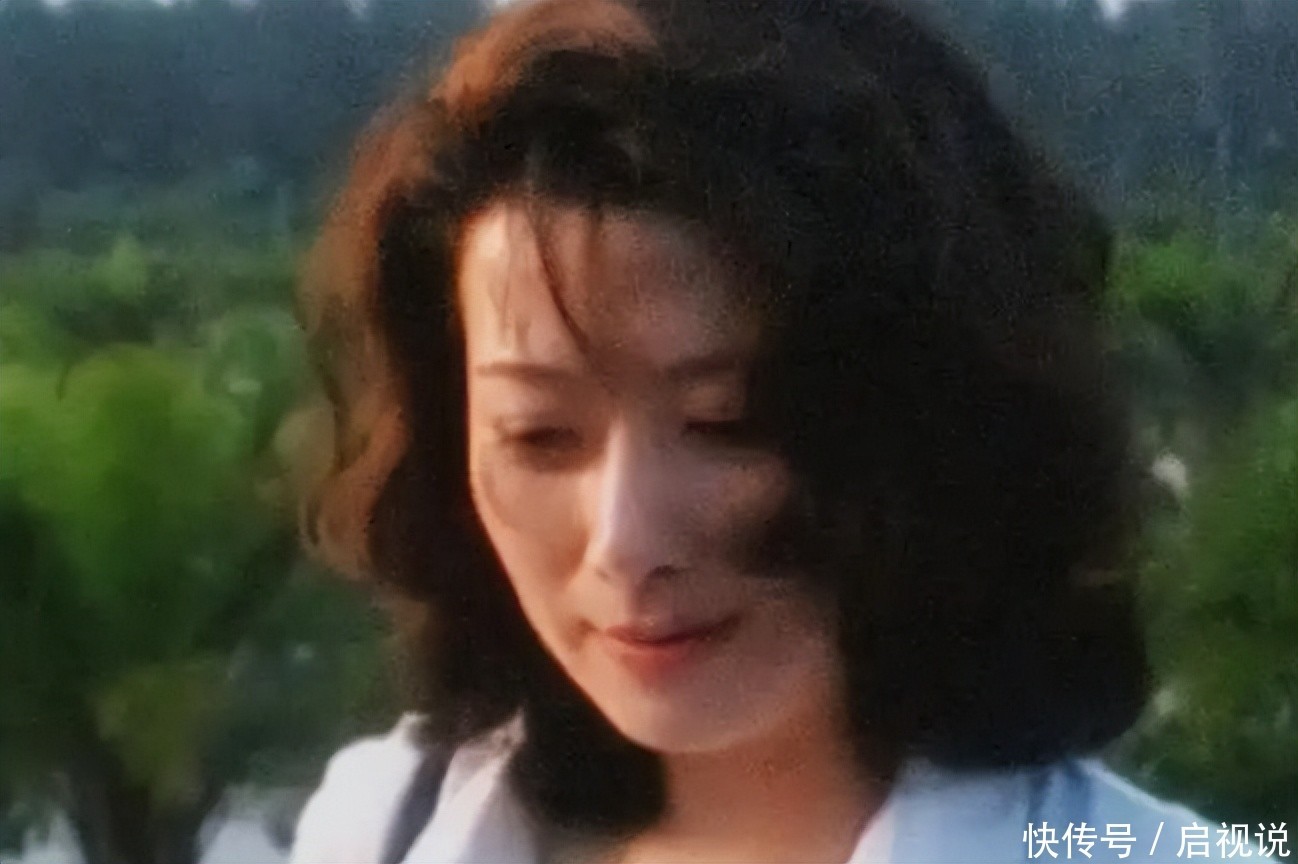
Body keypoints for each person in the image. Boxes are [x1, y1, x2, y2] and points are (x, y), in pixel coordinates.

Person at [287, 0, 1266, 861]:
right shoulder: (384, 828)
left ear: (930, 421)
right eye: (539, 434)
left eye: (726, 422)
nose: (623, 542)